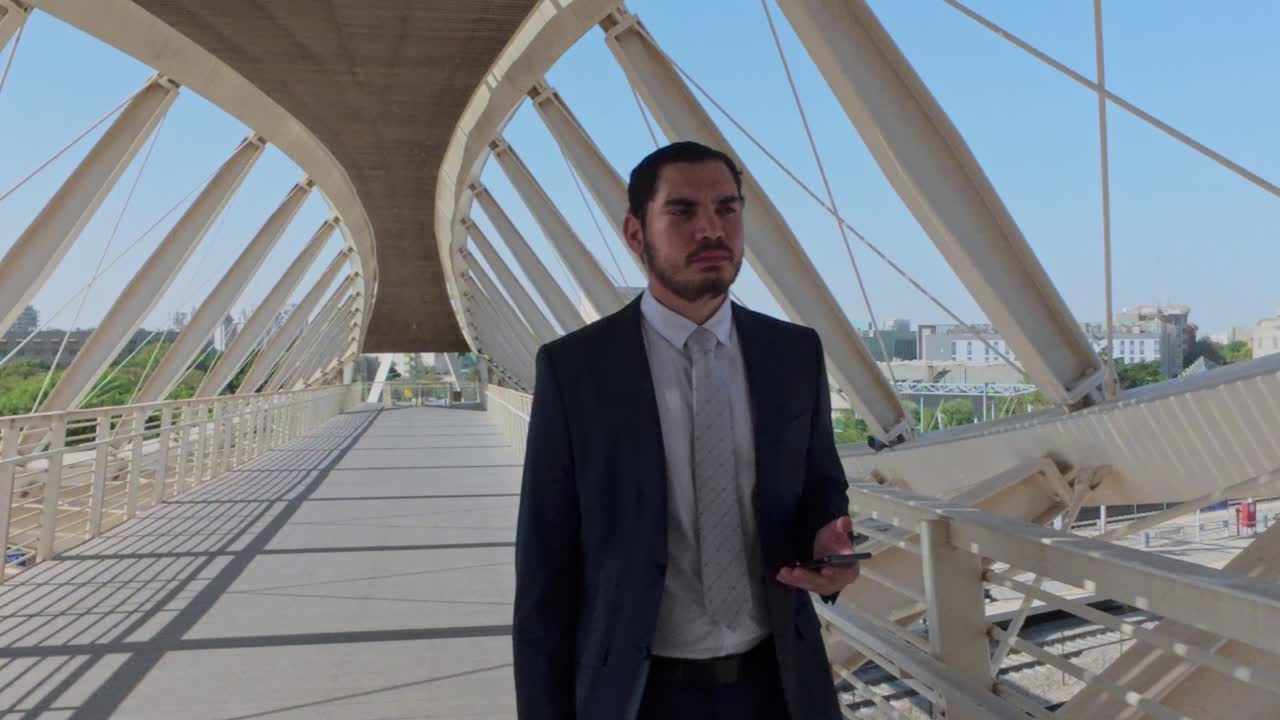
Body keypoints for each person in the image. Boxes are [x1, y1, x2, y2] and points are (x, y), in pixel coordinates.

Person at [513, 141, 861, 720]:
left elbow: (822, 491)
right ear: (635, 233)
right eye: (682, 211)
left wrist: (833, 554)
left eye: (727, 208)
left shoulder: (793, 354)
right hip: (637, 693)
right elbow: (545, 573)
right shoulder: (576, 371)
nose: (711, 228)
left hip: (777, 686)